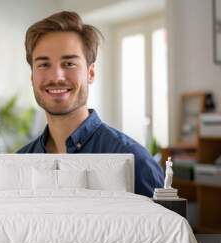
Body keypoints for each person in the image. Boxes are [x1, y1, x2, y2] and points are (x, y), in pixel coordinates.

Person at [17, 11, 163, 197]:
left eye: (69, 64)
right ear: (32, 76)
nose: (56, 77)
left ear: (91, 73)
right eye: (44, 65)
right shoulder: (19, 164)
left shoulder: (134, 162)